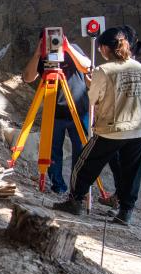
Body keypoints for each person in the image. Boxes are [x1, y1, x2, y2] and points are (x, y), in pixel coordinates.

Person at [53, 27, 141, 225]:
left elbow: (92, 98)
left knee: (85, 164)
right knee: (131, 171)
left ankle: (75, 200)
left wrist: (91, 83)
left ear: (106, 48)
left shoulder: (103, 70)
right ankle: (126, 211)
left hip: (111, 129)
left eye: (100, 49)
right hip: (139, 129)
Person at [21, 31, 90, 195]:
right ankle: (58, 186)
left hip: (78, 109)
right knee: (53, 151)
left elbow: (87, 66)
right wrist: (38, 54)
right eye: (47, 40)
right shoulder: (43, 56)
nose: (53, 42)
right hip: (54, 111)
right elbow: (27, 77)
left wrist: (68, 48)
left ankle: (78, 189)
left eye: (56, 38)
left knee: (81, 151)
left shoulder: (73, 49)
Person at [97, 25, 141, 210]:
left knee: (124, 164)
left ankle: (122, 200)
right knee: (120, 163)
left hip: (123, 125)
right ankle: (121, 200)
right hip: (132, 125)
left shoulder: (130, 68)